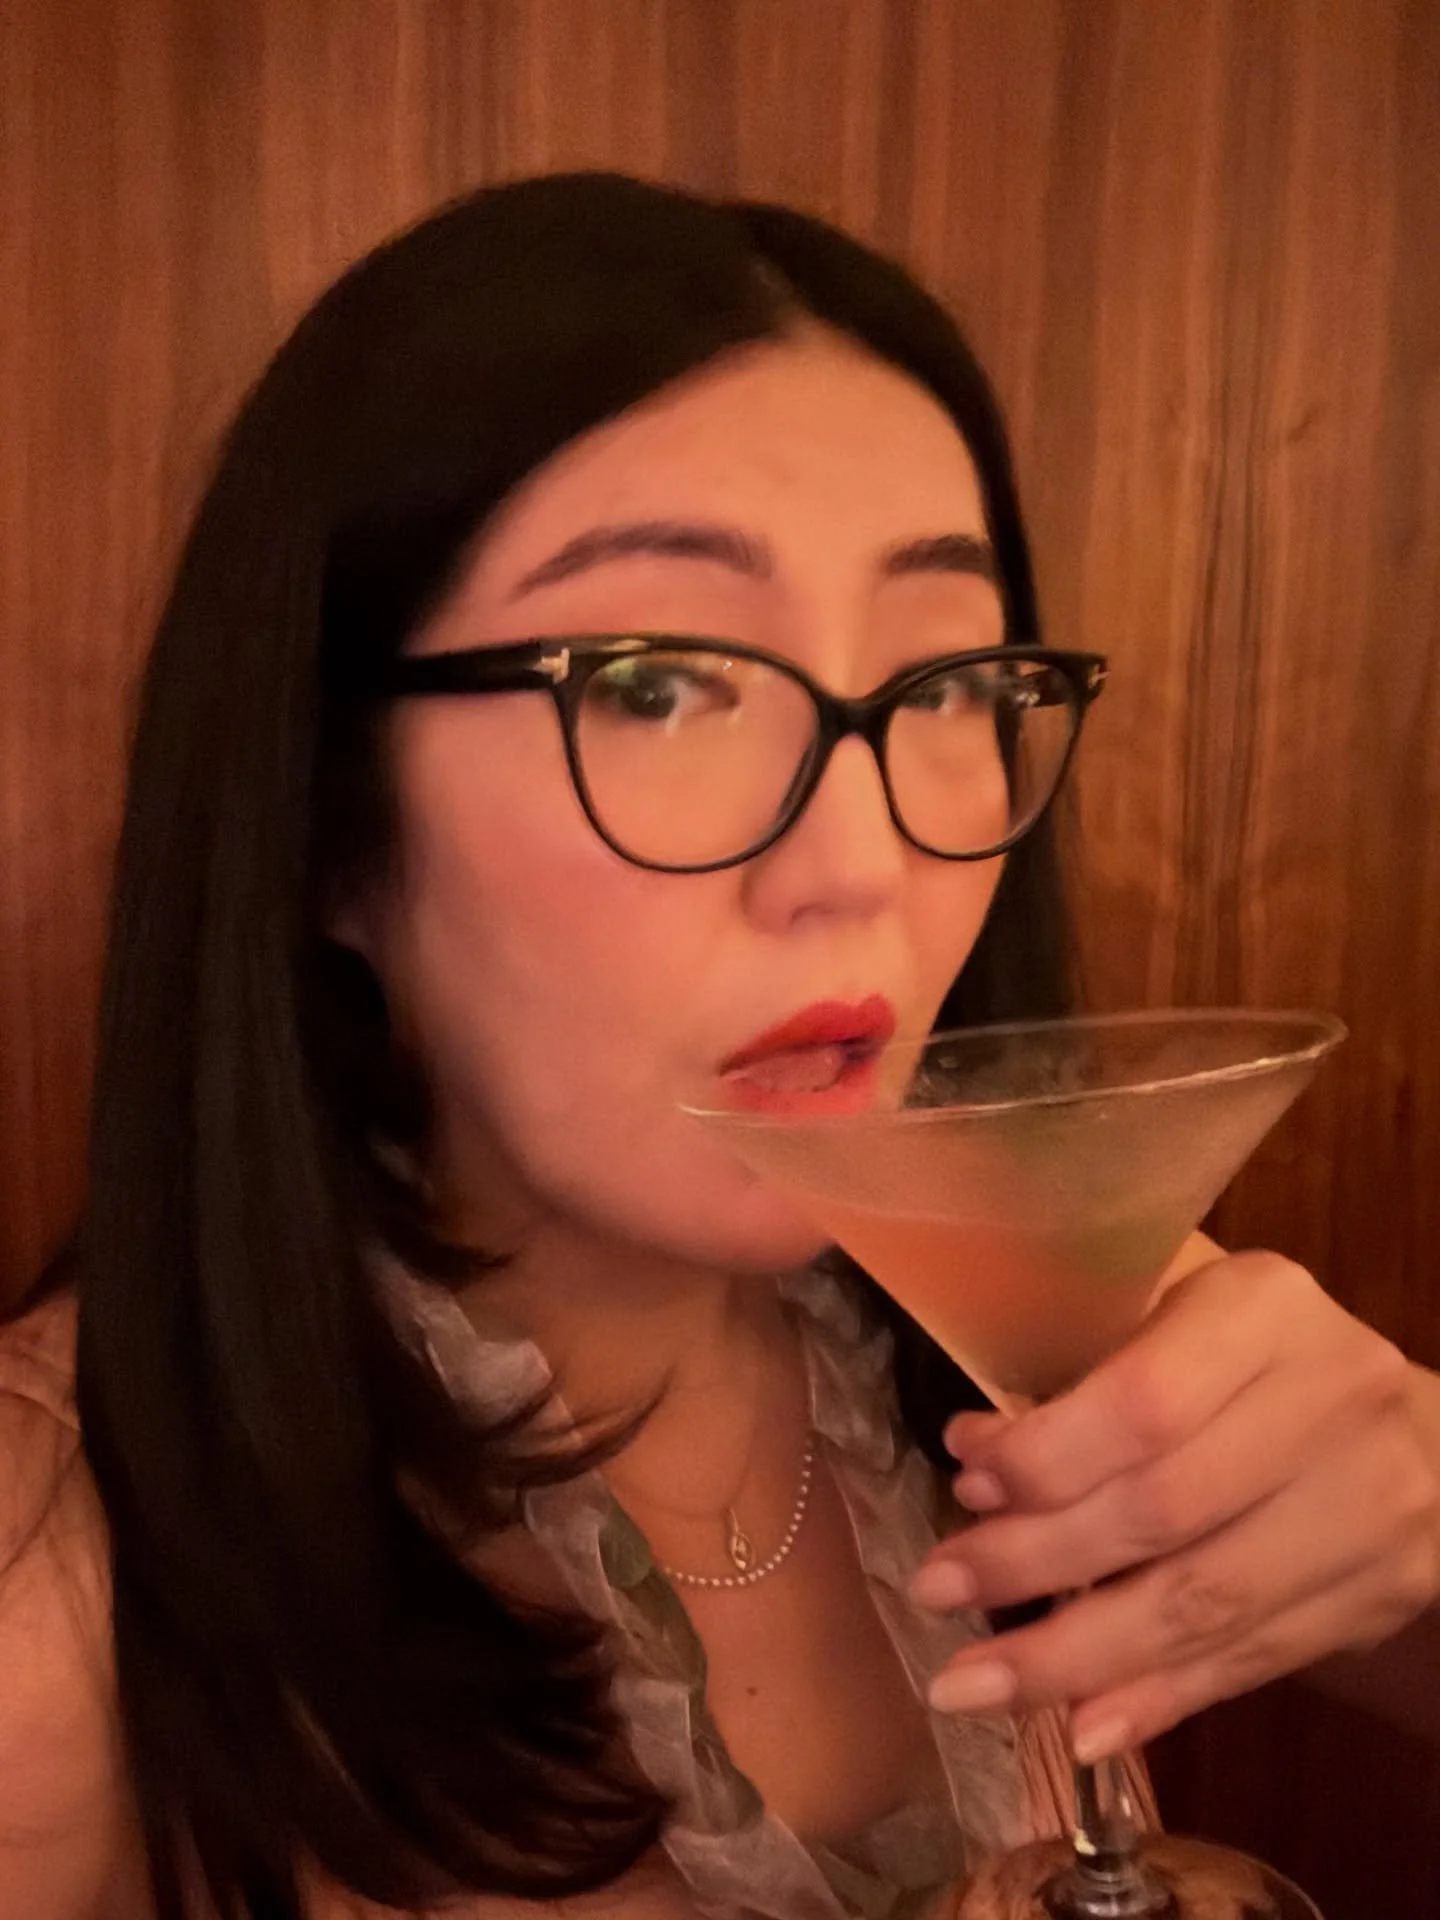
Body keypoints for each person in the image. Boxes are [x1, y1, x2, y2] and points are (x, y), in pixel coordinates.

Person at [1, 171, 1436, 1920]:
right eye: (656, 685)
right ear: (323, 821)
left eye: (948, 682)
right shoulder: (51, 1593)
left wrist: (1419, 1521)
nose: (862, 863)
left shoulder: (1034, 1312)